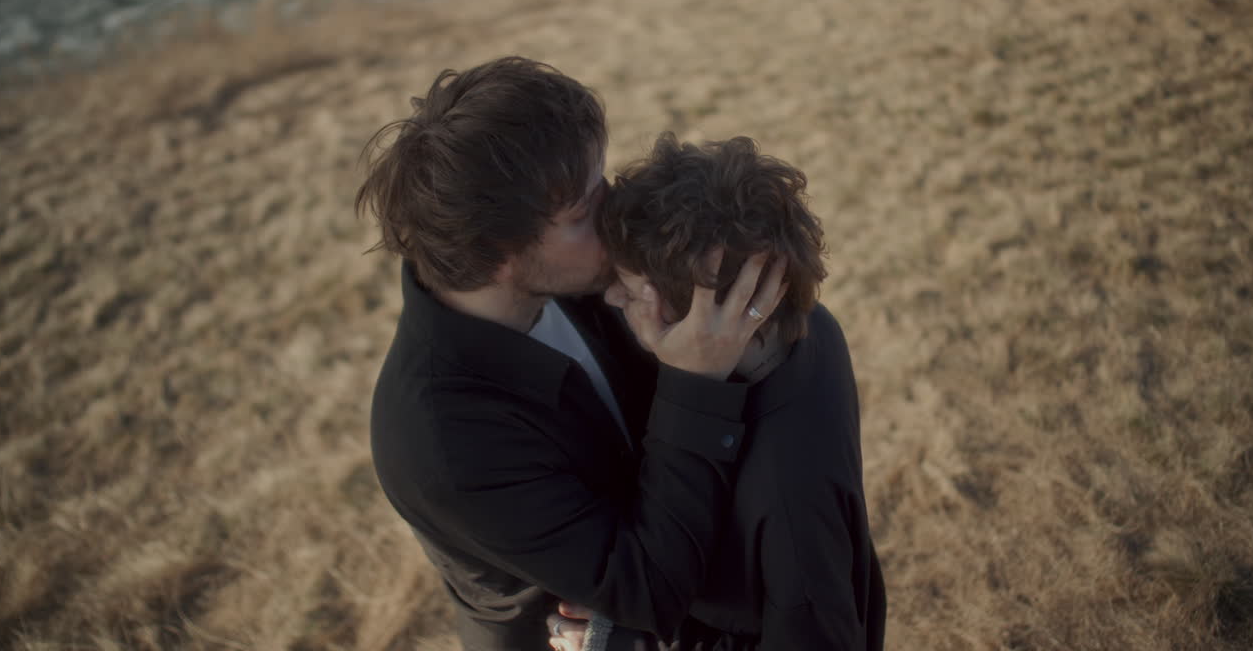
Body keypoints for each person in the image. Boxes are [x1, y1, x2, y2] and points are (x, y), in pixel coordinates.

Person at [355, 57, 788, 651]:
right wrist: (697, 383)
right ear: (499, 254)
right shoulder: (441, 438)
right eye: (584, 211)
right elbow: (647, 593)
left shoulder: (575, 279)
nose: (615, 211)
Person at [547, 134, 886, 651]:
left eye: (631, 290)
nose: (611, 297)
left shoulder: (788, 499)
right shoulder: (808, 327)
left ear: (705, 320)